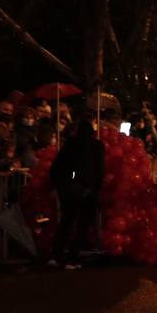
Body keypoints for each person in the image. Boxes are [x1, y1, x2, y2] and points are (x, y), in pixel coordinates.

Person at [48, 115, 105, 269]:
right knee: (83, 225)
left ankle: (56, 255)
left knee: (66, 221)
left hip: (69, 188)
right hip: (87, 189)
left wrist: (57, 184)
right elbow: (99, 170)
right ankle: (73, 257)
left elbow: (57, 166)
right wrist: (96, 188)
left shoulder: (70, 144)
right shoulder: (97, 146)